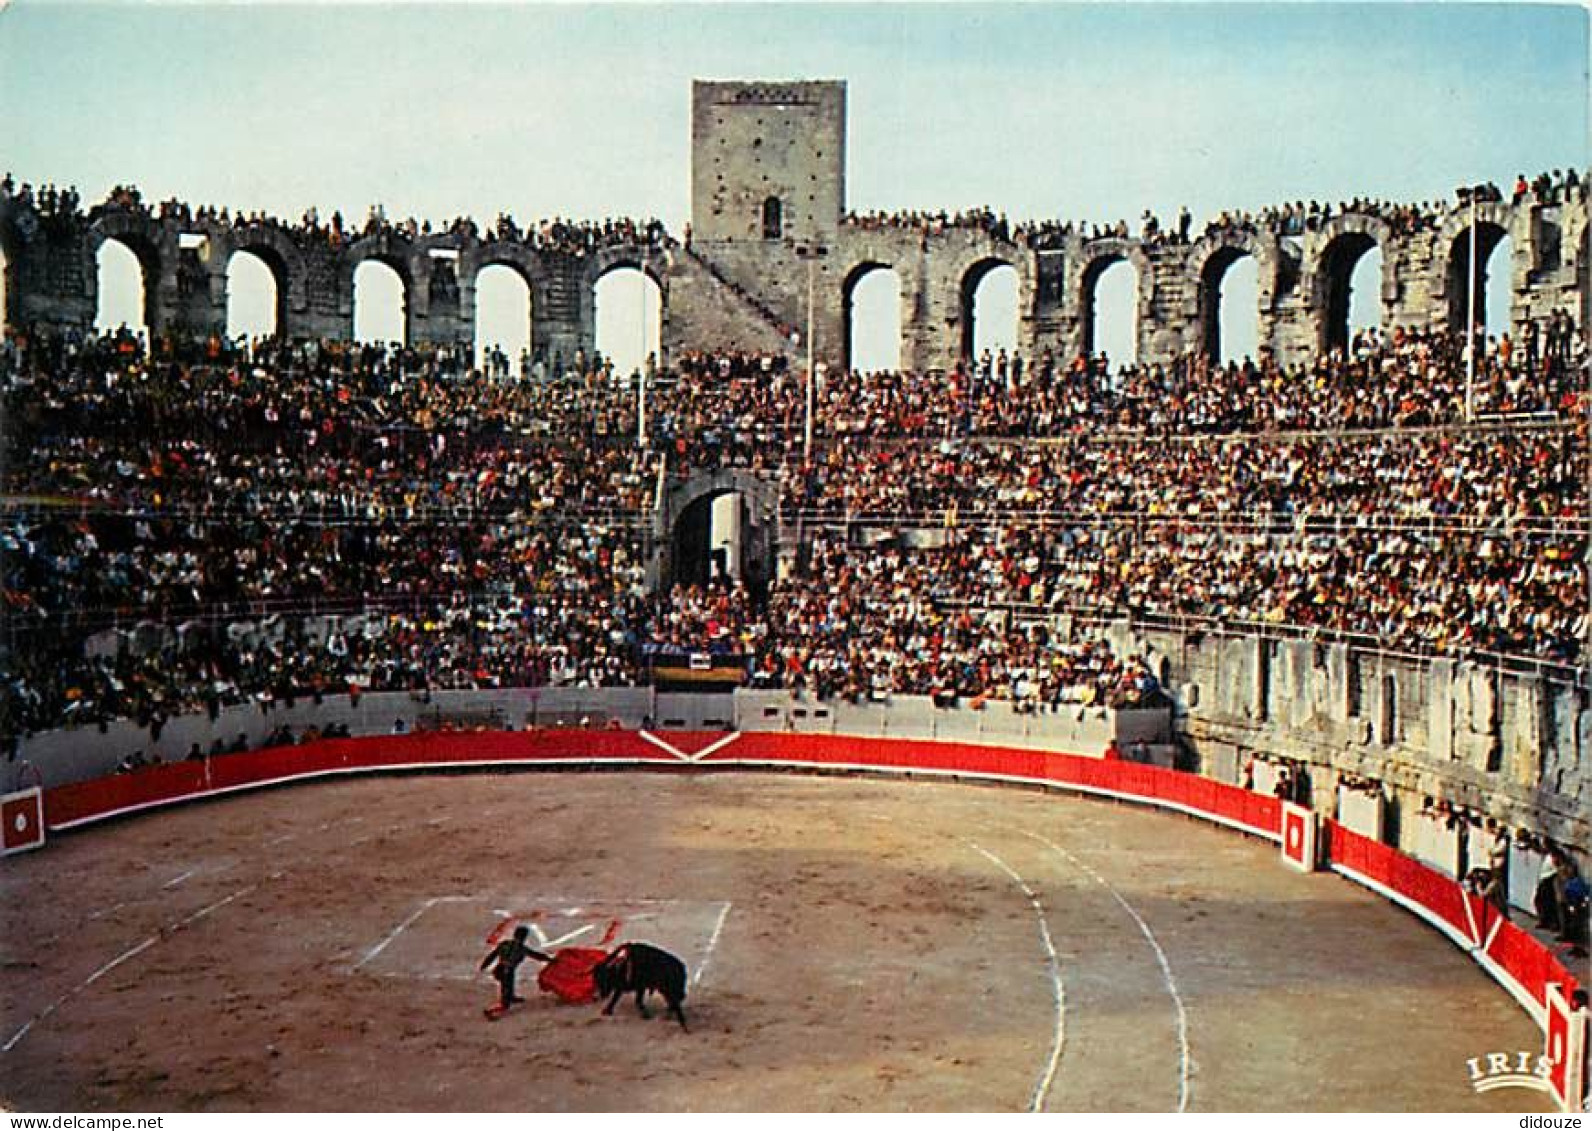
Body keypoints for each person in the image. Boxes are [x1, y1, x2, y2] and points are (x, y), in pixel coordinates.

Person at [479, 925, 553, 1016]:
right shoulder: (522, 948)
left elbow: (492, 956)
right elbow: (537, 956)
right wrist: (551, 960)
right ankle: (491, 1010)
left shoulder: (505, 944)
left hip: (499, 969)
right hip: (507, 971)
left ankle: (511, 996)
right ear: (524, 937)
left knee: (506, 985)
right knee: (505, 999)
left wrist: (484, 965)